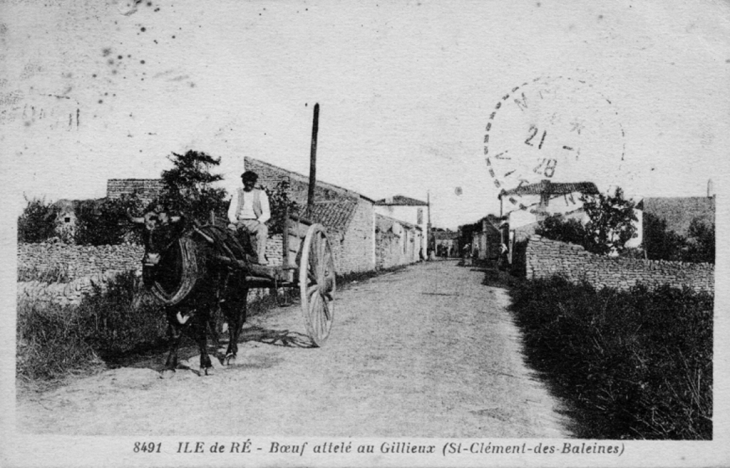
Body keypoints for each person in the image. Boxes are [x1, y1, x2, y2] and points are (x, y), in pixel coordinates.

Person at [227, 171, 271, 265]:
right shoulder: (238, 193)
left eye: (251, 182)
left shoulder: (261, 194)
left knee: (263, 229)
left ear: (254, 182)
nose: (248, 184)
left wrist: (258, 221)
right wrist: (235, 222)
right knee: (229, 231)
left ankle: (260, 256)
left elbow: (267, 213)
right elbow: (231, 212)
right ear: (243, 182)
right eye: (246, 181)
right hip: (240, 221)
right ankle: (232, 256)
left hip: (254, 222)